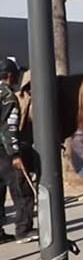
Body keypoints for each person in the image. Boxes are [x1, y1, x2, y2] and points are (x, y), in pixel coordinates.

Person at [0, 58, 36, 244]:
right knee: (21, 190)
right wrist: (15, 154)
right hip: (4, 152)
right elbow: (10, 126)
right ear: (10, 75)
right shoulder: (7, 96)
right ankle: (24, 229)